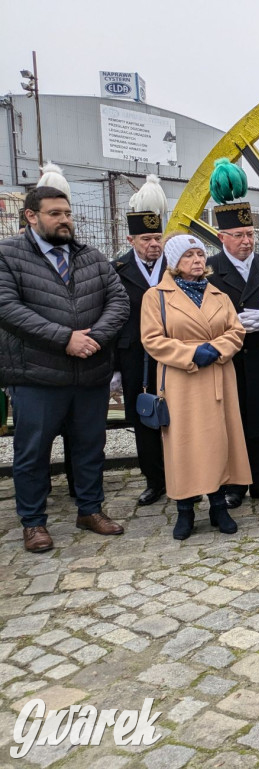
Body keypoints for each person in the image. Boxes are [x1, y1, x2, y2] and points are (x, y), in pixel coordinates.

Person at [0, 178, 130, 553]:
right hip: (36, 375)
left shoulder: (91, 257)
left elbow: (118, 302)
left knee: (90, 447)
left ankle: (90, 510)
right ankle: (33, 523)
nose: (65, 220)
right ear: (31, 216)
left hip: (89, 374)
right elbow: (8, 309)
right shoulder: (8, 255)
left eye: (68, 214)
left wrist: (93, 339)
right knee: (32, 453)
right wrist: (65, 338)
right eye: (55, 214)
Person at [141, 234, 249, 540]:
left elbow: (236, 330)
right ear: (175, 263)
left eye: (200, 255)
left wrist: (218, 349)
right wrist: (190, 353)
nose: (197, 261)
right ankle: (185, 509)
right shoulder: (156, 296)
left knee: (217, 441)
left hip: (217, 375)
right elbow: (152, 339)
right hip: (181, 380)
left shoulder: (219, 295)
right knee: (184, 445)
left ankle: (218, 505)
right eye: (189, 256)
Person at [205, 159, 259, 508]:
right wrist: (232, 322)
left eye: (250, 234)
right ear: (222, 237)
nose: (246, 241)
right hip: (230, 360)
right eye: (238, 235)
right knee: (232, 423)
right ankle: (234, 484)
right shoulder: (210, 270)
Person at [112, 175, 169, 506]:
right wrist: (114, 368)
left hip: (171, 354)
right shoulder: (117, 269)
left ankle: (178, 475)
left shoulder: (175, 268)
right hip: (134, 357)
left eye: (158, 237)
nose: (154, 244)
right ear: (131, 239)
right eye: (147, 238)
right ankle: (154, 480)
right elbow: (113, 320)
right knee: (145, 418)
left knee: (176, 417)